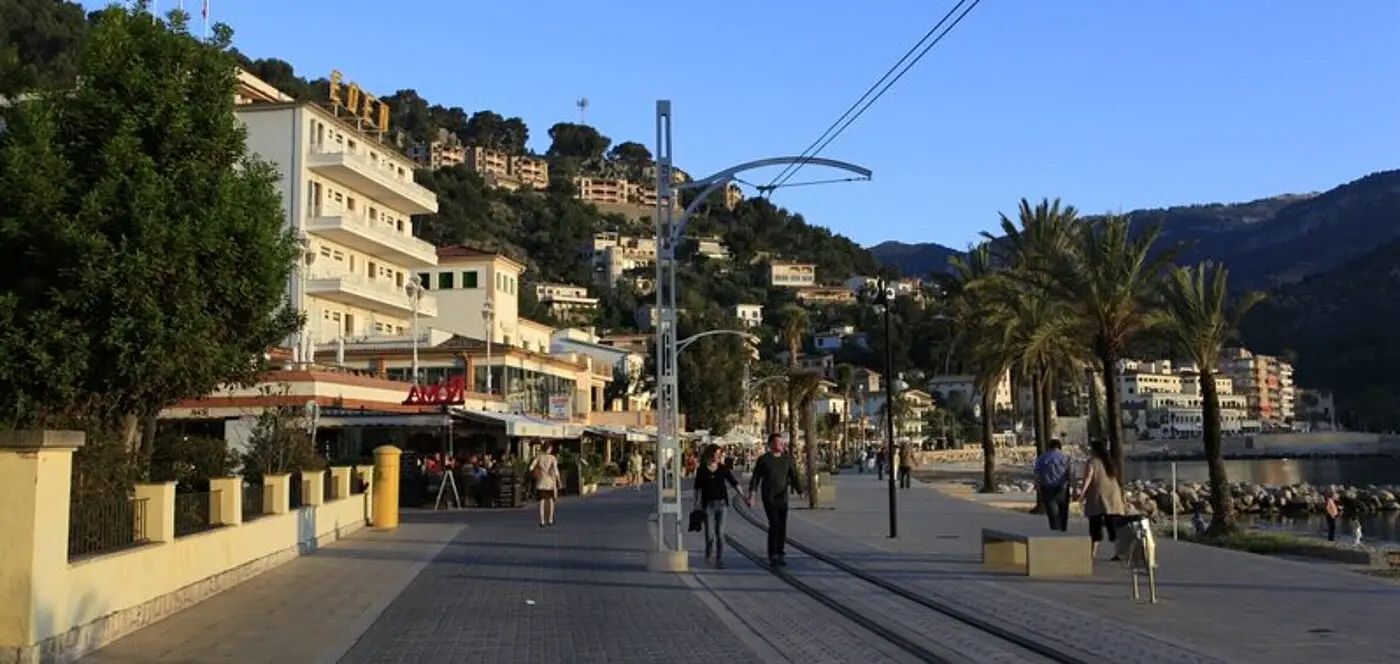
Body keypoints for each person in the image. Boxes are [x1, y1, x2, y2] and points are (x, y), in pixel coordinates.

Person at [747, 433, 804, 566]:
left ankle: (780, 552)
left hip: (782, 497)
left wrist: (800, 491)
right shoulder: (764, 459)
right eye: (779, 442)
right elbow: (755, 478)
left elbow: (794, 476)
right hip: (769, 497)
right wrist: (752, 495)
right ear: (771, 444)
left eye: (783, 442)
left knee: (782, 525)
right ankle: (772, 553)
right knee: (774, 523)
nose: (782, 444)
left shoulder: (788, 459)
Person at [693, 443, 750, 568]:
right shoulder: (702, 470)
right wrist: (696, 504)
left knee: (720, 532)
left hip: (722, 504)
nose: (719, 456)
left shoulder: (723, 469)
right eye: (716, 454)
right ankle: (708, 555)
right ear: (710, 454)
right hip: (708, 504)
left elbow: (734, 483)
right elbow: (697, 489)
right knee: (709, 534)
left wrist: (744, 497)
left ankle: (719, 559)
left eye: (720, 454)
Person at [1079, 437, 1127, 560]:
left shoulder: (1092, 462)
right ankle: (1118, 552)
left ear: (1094, 450)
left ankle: (1092, 553)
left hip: (1097, 496)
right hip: (1113, 496)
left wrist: (1082, 493)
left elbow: (1088, 478)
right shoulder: (1109, 462)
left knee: (1095, 525)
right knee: (1113, 525)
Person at [1033, 438, 1072, 532]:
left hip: (1047, 489)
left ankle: (1055, 533)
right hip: (1062, 488)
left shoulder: (1042, 458)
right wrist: (1073, 487)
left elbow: (1037, 473)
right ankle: (1063, 532)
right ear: (1060, 447)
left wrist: (1037, 485)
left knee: (1053, 515)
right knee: (1063, 514)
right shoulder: (1065, 457)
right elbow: (1070, 473)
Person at [529, 443, 563, 527]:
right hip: (550, 482)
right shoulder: (552, 458)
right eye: (550, 448)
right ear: (548, 449)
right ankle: (550, 519)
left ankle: (542, 520)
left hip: (540, 482)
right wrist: (559, 481)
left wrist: (538, 472)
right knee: (551, 501)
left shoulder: (539, 457)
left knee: (541, 502)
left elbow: (531, 467)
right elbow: (556, 471)